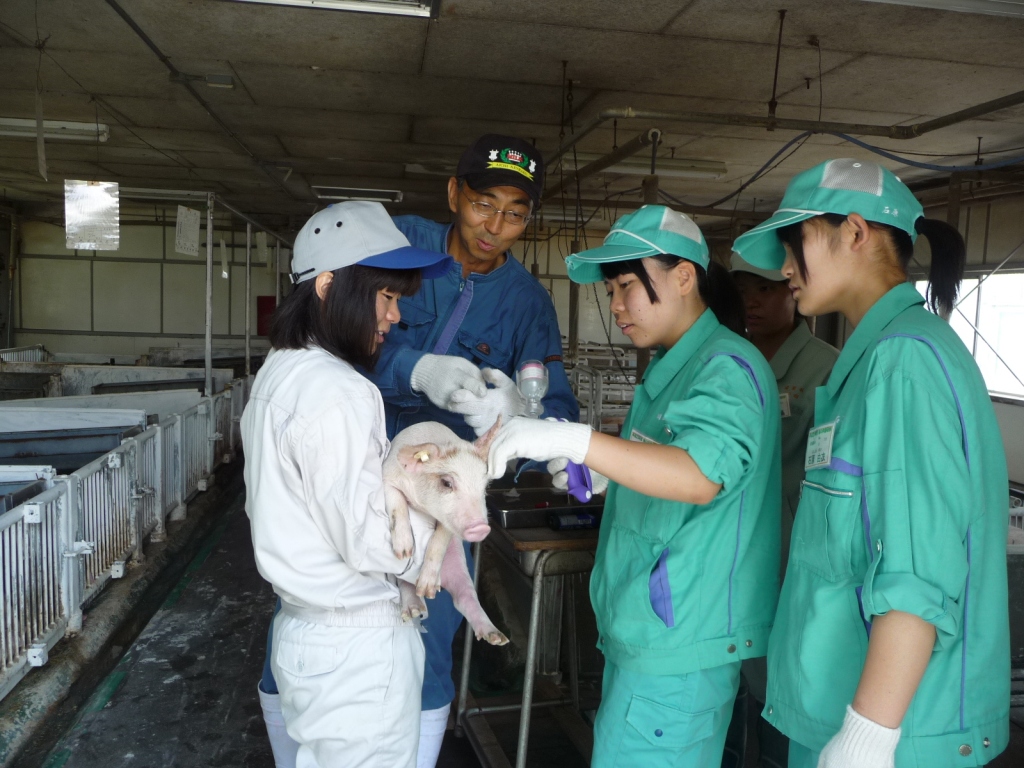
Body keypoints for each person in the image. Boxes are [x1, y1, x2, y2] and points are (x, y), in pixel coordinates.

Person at [731, 158, 1010, 767]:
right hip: (844, 705)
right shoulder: (878, 358)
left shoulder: (903, 363)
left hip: (892, 733)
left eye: (792, 244)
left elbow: (919, 574)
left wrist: (867, 736)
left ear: (854, 232)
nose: (782, 270)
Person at [486, 205, 782, 767]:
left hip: (679, 642)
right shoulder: (679, 368)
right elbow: (664, 464)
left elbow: (699, 476)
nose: (616, 305)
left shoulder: (725, 368)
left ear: (684, 276)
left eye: (627, 286)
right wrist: (605, 473)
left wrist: (578, 442)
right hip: (654, 634)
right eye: (613, 290)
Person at [369, 134, 580, 768]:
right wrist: (412, 369)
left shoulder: (526, 304)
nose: (496, 226)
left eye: (516, 212)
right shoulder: (397, 243)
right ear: (454, 194)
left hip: (442, 500)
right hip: (356, 467)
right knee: (321, 621)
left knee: (430, 636)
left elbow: (560, 410)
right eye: (484, 203)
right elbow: (332, 331)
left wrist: (522, 413)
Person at [243, 201, 452, 768]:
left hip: (309, 636)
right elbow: (373, 542)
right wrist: (446, 498)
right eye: (386, 297)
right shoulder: (340, 390)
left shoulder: (278, 372)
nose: (395, 317)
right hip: (357, 653)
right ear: (330, 285)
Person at [725, 255, 839, 768]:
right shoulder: (728, 359)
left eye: (766, 290)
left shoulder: (825, 366)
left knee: (777, 671)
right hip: (727, 535)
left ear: (793, 290)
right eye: (744, 289)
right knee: (727, 669)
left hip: (790, 541)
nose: (752, 300)